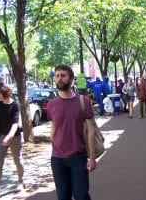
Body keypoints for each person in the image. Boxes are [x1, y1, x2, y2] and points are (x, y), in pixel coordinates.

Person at [47, 65, 97, 200]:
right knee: (63, 196)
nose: (59, 79)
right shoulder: (51, 104)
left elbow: (91, 130)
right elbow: (53, 128)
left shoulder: (83, 101)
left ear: (71, 79)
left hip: (78, 157)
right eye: (57, 76)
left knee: (81, 196)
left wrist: (92, 157)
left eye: (63, 75)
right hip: (57, 159)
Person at [0, 83, 24, 199]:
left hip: (14, 138)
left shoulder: (15, 105)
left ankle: (20, 182)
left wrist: (9, 136)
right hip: (0, 138)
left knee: (18, 160)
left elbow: (15, 123)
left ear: (5, 92)